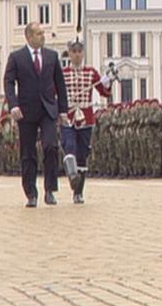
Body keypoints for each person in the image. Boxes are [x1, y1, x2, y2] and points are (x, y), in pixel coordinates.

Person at [3, 22, 69, 207]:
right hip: (26, 111)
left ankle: (50, 190)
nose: (43, 36)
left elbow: (60, 86)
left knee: (50, 147)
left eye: (43, 33)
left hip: (48, 110)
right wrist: (13, 105)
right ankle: (31, 192)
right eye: (39, 33)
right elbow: (9, 82)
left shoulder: (52, 56)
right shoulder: (17, 57)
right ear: (29, 37)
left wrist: (63, 110)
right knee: (28, 154)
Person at [60, 39, 113, 203]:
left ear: (83, 53)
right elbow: (53, 92)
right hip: (68, 116)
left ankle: (78, 192)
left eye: (79, 52)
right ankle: (72, 176)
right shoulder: (62, 73)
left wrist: (107, 82)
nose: (77, 55)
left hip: (85, 117)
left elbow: (104, 92)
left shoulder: (91, 73)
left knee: (83, 153)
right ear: (69, 54)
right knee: (69, 146)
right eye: (73, 52)